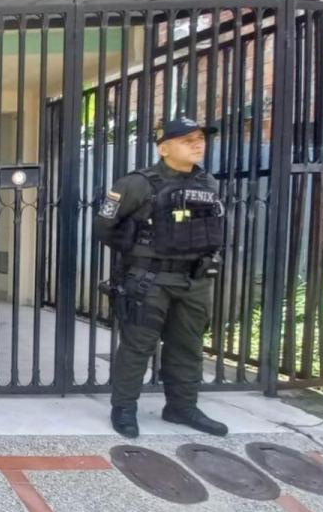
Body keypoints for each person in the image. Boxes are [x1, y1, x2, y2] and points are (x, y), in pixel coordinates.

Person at [95, 116, 228, 439]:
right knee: (138, 345)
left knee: (188, 345)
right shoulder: (137, 184)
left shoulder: (207, 183)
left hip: (195, 280)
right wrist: (140, 253)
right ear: (164, 147)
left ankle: (182, 406)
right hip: (149, 279)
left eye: (200, 138)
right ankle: (124, 408)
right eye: (187, 139)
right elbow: (104, 227)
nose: (197, 144)